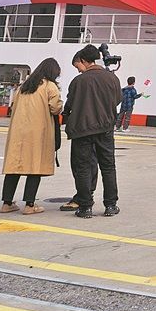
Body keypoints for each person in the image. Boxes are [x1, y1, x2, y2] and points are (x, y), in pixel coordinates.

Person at [61, 45, 122, 219]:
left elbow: (70, 104)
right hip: (105, 128)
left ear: (83, 61)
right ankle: (111, 205)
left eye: (77, 65)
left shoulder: (78, 81)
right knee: (108, 167)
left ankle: (85, 207)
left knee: (83, 168)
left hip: (83, 129)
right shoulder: (112, 78)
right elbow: (118, 99)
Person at [0, 57, 62, 215]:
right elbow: (55, 108)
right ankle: (29, 205)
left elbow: (12, 106)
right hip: (37, 132)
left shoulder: (24, 86)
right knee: (35, 166)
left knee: (14, 167)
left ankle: (6, 203)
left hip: (18, 131)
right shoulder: (50, 86)